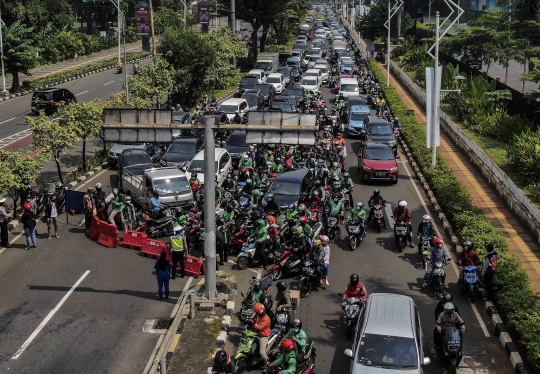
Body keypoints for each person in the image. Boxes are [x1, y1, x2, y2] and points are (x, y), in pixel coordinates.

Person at [249, 303, 271, 368]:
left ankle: (268, 364)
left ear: (259, 312)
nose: (255, 313)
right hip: (257, 334)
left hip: (263, 336)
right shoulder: (259, 316)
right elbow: (257, 323)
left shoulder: (266, 319)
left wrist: (253, 322)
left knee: (262, 352)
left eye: (256, 311)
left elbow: (260, 328)